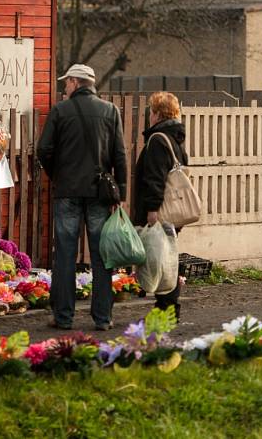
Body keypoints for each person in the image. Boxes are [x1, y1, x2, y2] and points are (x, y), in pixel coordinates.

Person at [37, 64, 127, 331]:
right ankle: (102, 318)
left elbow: (44, 149)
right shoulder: (110, 111)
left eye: (67, 82)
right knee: (101, 255)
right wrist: (119, 192)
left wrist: (58, 175)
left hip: (67, 192)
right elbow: (119, 155)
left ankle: (63, 317)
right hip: (99, 192)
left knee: (64, 254)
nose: (65, 87)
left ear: (76, 82)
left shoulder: (60, 111)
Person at [133, 91, 187, 321]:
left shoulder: (157, 141)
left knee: (161, 259)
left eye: (151, 111)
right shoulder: (175, 140)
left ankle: (167, 309)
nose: (150, 116)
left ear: (156, 114)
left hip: (160, 210)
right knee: (166, 258)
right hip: (174, 209)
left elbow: (155, 178)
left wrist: (152, 210)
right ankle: (166, 308)